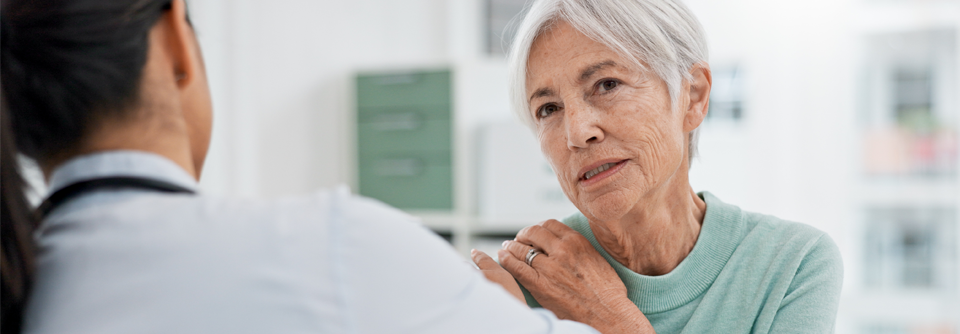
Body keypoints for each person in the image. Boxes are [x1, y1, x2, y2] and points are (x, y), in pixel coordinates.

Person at [0, 0, 598, 333]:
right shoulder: (332, 248)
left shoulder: (25, 281)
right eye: (545, 106)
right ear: (174, 44)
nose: (579, 131)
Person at [471, 0, 844, 333]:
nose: (577, 133)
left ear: (693, 96)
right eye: (548, 109)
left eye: (607, 84)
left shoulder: (792, 264)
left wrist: (611, 319)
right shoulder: (520, 285)